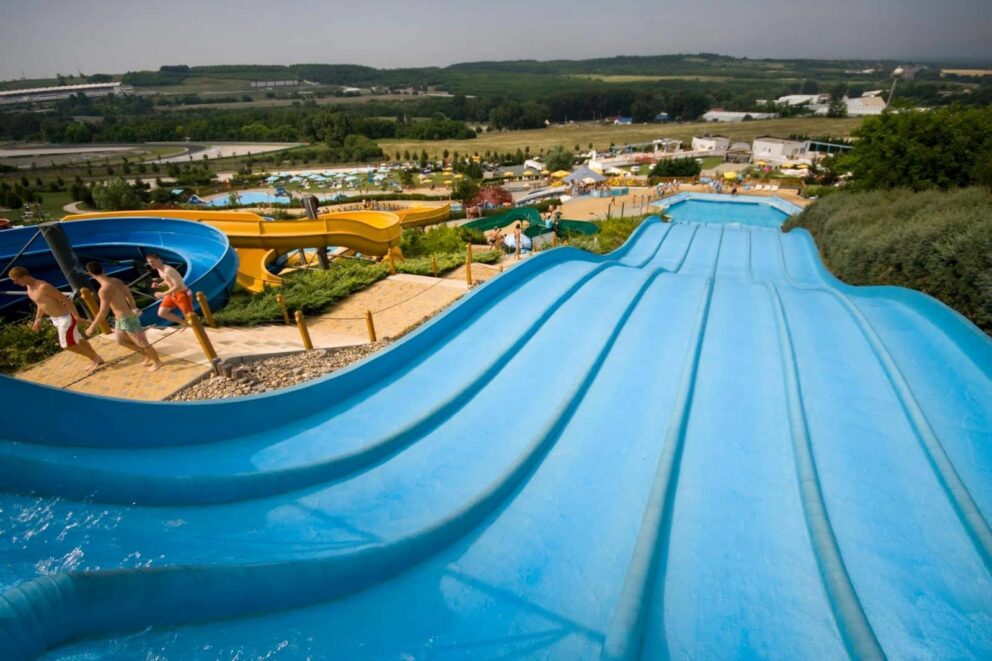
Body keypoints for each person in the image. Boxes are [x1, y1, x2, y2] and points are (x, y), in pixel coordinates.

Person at [7, 266, 105, 372]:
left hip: (65, 318)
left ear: (24, 276)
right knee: (78, 340)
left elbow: (65, 300)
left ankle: (94, 358)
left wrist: (76, 316)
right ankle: (97, 358)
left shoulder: (43, 286)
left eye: (16, 280)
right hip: (56, 319)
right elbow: (40, 303)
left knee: (67, 345)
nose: (15, 283)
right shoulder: (29, 289)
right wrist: (38, 319)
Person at [84, 261, 162, 372]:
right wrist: (133, 307)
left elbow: (103, 312)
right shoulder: (115, 280)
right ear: (103, 269)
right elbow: (128, 293)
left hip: (127, 318)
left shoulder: (104, 290)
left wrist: (92, 327)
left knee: (141, 341)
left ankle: (157, 361)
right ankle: (147, 355)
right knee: (120, 341)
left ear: (90, 274)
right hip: (120, 319)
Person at [146, 253, 192, 326]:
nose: (150, 264)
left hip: (182, 294)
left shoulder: (168, 270)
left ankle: (197, 329)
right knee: (162, 313)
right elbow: (167, 280)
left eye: (152, 261)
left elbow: (178, 285)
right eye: (149, 262)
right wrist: (159, 285)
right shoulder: (159, 269)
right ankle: (184, 323)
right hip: (172, 294)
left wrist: (163, 294)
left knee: (190, 317)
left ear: (159, 260)